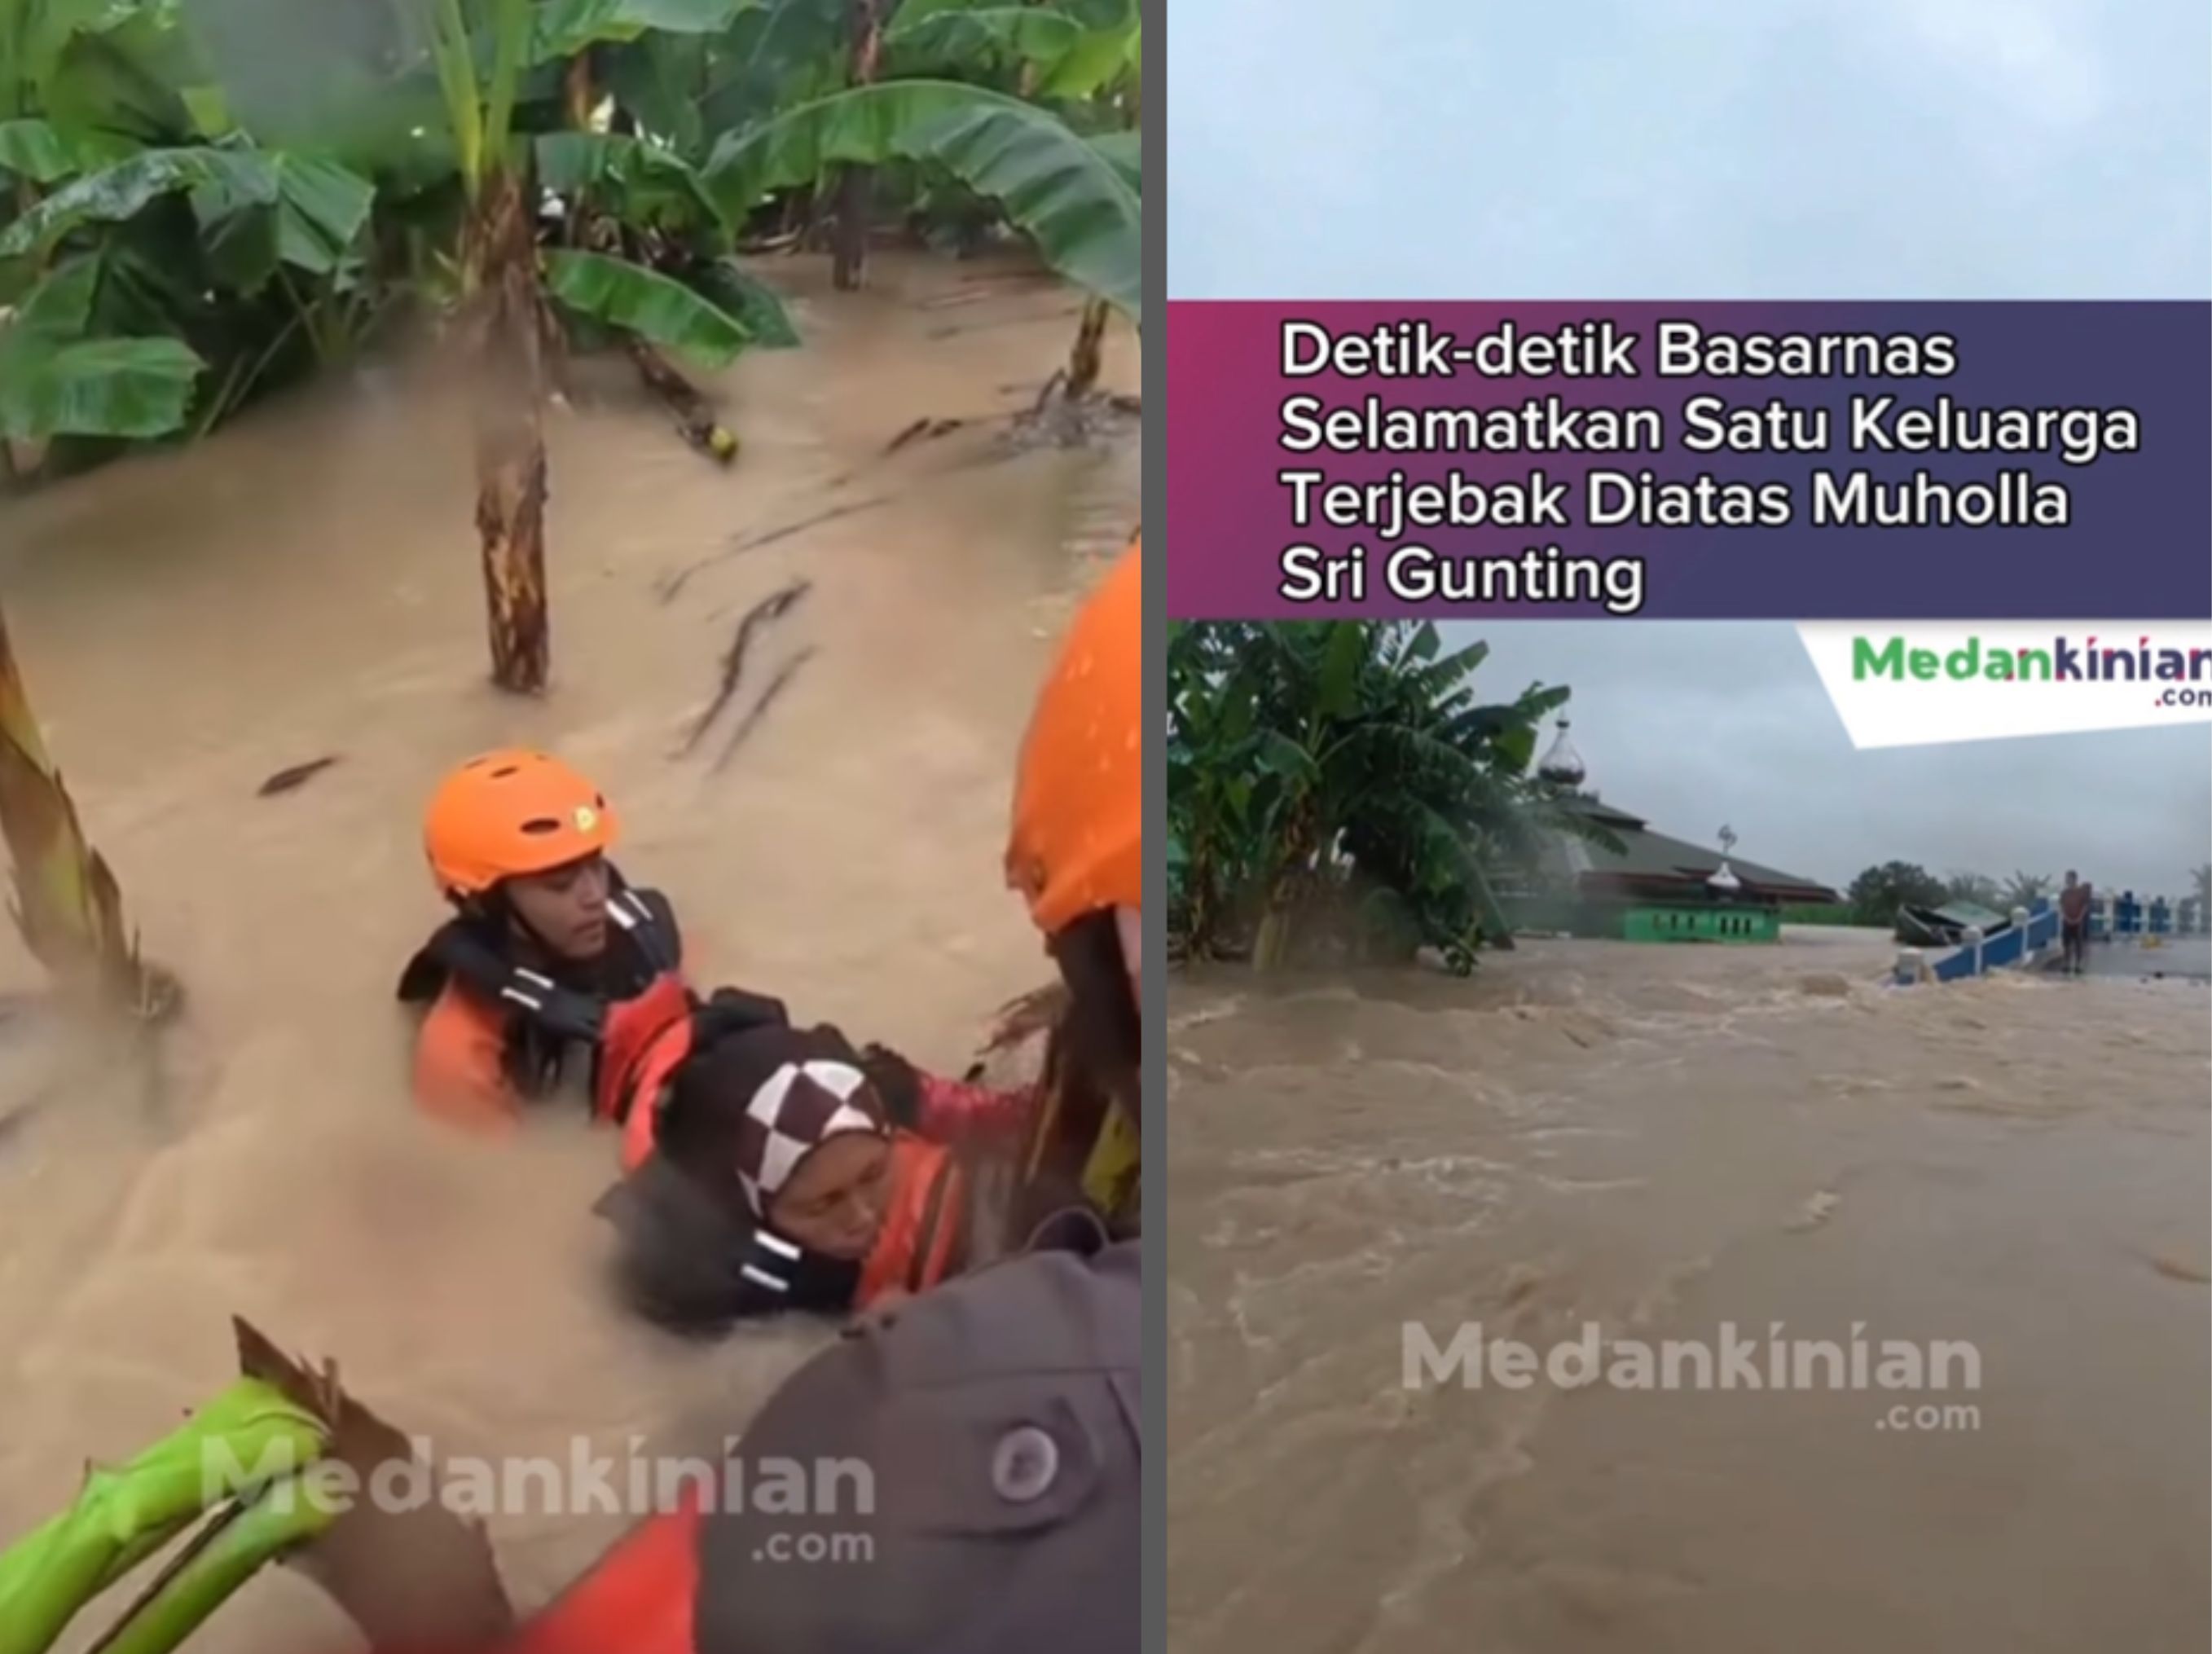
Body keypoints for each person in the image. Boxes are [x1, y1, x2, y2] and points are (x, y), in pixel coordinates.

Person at [386, 536, 1146, 1654]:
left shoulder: (637, 929)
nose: (592, 895)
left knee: (863, 1092)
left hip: (718, 1065)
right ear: (488, 902)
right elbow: (480, 1186)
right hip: (657, 1127)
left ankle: (929, 1151)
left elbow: (694, 995)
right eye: (557, 882)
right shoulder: (465, 1052)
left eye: (594, 866)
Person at [2058, 870, 2091, 976]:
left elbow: (2085, 906)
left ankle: (2078, 964)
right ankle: (2066, 964)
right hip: (2067, 920)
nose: (2067, 880)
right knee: (2066, 943)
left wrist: (2079, 917)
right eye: (2066, 878)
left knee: (2078, 943)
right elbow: (2062, 906)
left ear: (2074, 879)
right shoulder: (2064, 893)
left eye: (2069, 878)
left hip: (2078, 921)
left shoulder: (2081, 893)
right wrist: (2066, 917)